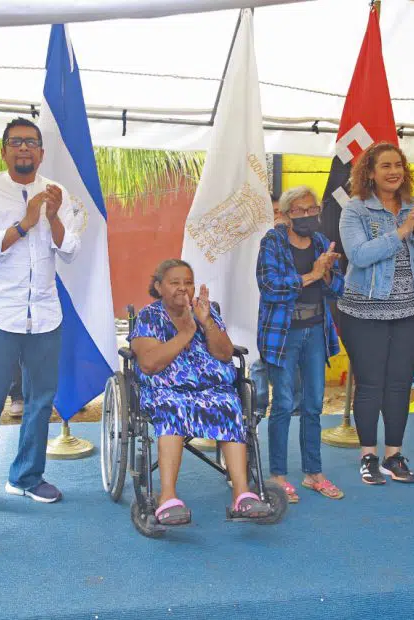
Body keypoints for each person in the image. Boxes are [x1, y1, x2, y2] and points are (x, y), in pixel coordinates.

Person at [0, 118, 80, 515]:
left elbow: (70, 251)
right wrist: (25, 224)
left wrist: (53, 217)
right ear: (4, 150)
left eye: (31, 142)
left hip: (44, 314)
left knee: (40, 401)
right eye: (16, 142)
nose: (24, 147)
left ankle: (26, 476)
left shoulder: (57, 193)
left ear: (41, 152)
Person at [130, 259, 271, 524]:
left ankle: (242, 495)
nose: (183, 288)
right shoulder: (149, 316)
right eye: (174, 282)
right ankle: (167, 498)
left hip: (211, 388)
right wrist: (186, 333)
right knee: (173, 407)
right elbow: (148, 364)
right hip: (167, 390)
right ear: (159, 287)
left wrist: (206, 322)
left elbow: (225, 353)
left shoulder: (204, 311)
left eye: (188, 282)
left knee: (229, 404)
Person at [338, 142, 414, 485]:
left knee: (400, 385)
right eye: (385, 166)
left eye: (398, 165)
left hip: (410, 311)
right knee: (370, 385)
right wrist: (400, 232)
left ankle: (393, 456)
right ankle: (368, 456)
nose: (394, 171)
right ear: (370, 172)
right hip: (363, 312)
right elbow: (359, 255)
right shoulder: (355, 210)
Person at [257, 186, 344, 503]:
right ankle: (278, 476)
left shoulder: (321, 242)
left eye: (312, 209)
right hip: (282, 333)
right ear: (285, 214)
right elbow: (269, 286)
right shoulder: (272, 242)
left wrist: (327, 274)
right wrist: (311, 275)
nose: (308, 216)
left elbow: (338, 288)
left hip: (316, 331)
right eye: (300, 211)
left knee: (313, 404)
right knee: (282, 403)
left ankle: (313, 473)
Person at [250, 192, 303, 417]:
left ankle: (295, 408)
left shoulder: (293, 240)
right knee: (259, 359)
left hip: (285, 310)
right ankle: (257, 407)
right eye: (273, 213)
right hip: (257, 307)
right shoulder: (255, 239)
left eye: (281, 212)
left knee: (292, 360)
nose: (278, 217)